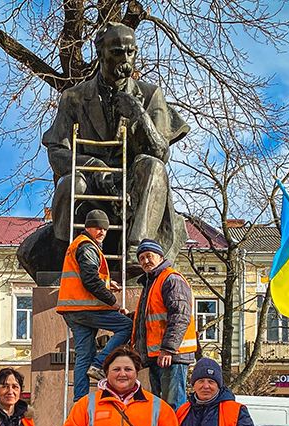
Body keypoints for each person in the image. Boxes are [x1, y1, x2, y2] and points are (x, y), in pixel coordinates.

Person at [40, 22, 190, 261]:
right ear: (100, 53)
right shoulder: (74, 98)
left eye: (131, 52)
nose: (126, 59)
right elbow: (57, 152)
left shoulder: (150, 94)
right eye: (117, 52)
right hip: (90, 187)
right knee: (69, 184)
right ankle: (71, 256)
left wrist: (139, 115)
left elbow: (160, 154)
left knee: (153, 167)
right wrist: (93, 166)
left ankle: (137, 249)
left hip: (133, 189)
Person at [56, 209, 133, 400]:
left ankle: (80, 401)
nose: (101, 232)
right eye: (96, 227)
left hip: (72, 309)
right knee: (126, 325)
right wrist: (114, 303)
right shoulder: (88, 247)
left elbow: (85, 276)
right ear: (87, 227)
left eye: (104, 229)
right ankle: (99, 364)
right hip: (85, 308)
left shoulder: (80, 245)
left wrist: (106, 283)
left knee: (84, 354)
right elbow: (89, 280)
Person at [132, 238, 196, 408]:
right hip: (158, 356)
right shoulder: (152, 282)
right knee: (161, 406)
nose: (145, 261)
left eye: (149, 256)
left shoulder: (170, 279)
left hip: (172, 355)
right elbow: (151, 317)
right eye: (142, 258)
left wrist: (168, 349)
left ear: (160, 257)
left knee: (174, 405)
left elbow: (180, 315)